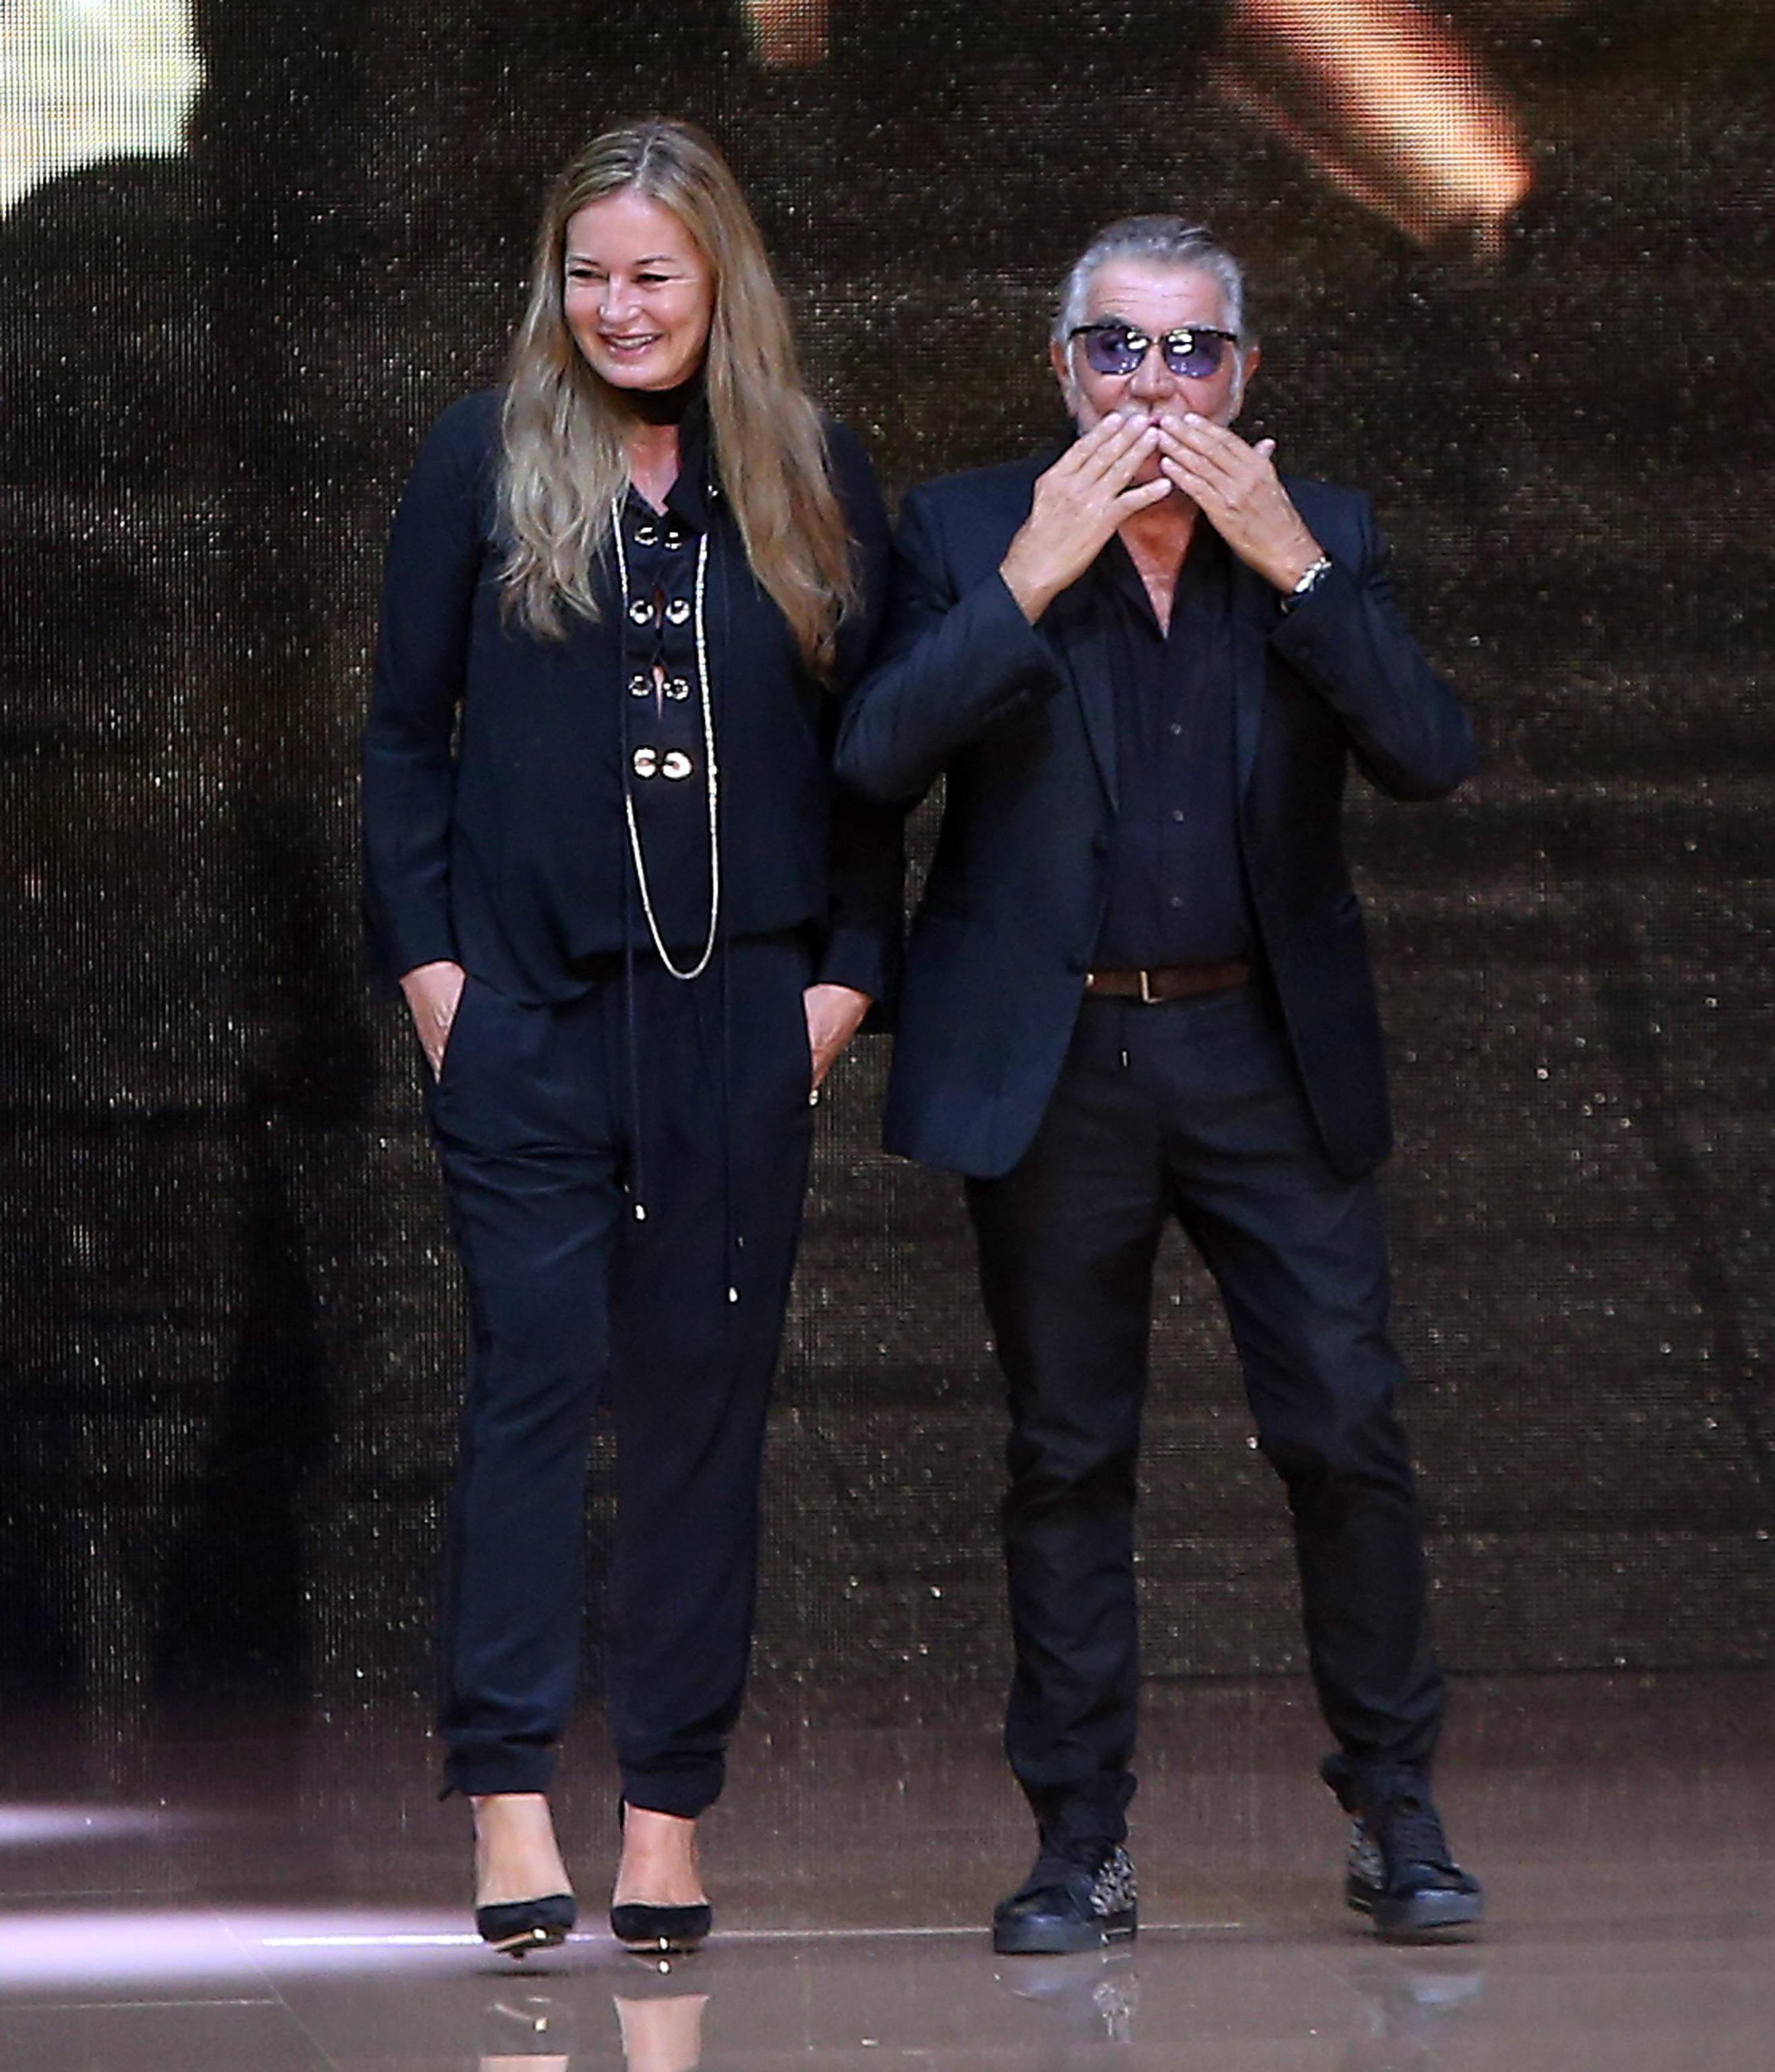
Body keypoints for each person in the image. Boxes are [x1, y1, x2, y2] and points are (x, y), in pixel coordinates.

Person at [835, 216, 1482, 1953]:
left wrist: (1296, 569)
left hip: (1263, 1046)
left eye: (1190, 352)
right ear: (1062, 368)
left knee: (1343, 1426)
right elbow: (876, 754)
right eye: (1116, 350)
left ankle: (1396, 1812)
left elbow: (1429, 753)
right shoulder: (970, 527)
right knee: (1067, 1456)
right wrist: (1031, 574)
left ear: (1244, 375)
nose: (1153, 384)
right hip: (1064, 1060)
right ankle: (1078, 1845)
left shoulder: (1317, 532)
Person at [362, 118, 899, 1958]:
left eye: (652, 274)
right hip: (527, 1024)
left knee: (702, 1422)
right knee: (533, 1386)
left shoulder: (814, 472)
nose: (618, 306)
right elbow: (402, 737)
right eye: (589, 273)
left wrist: (840, 985)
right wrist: (436, 978)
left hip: (740, 1027)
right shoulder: (483, 456)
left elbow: (875, 759)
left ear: (719, 279)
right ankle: (507, 1798)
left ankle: (666, 1820)